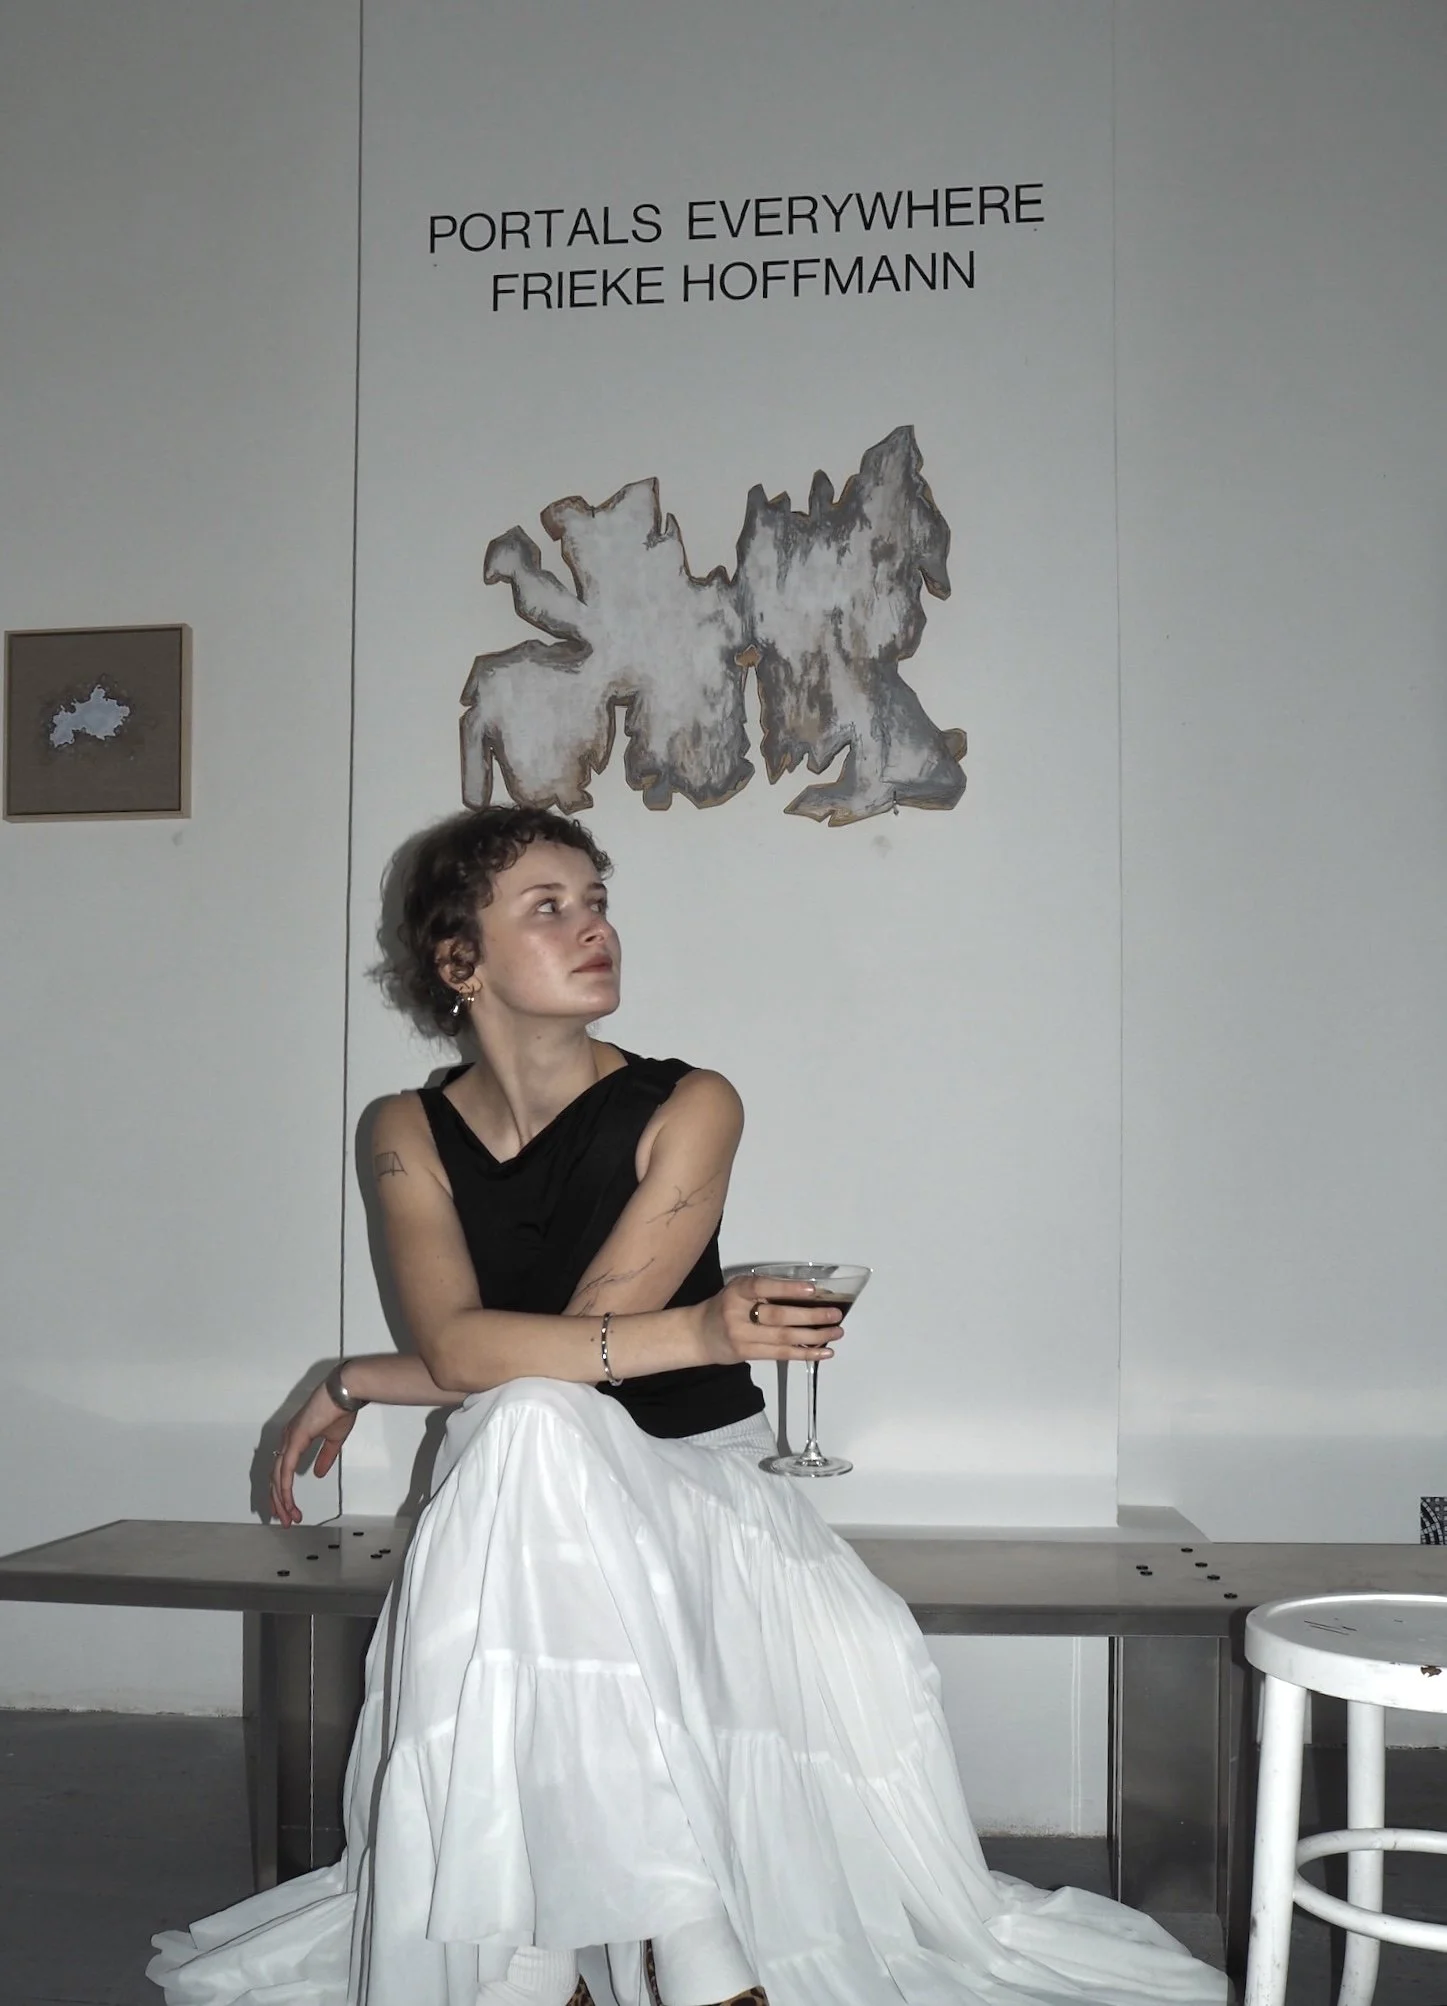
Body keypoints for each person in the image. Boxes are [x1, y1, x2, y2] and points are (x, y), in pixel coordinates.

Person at [149, 806, 1225, 2006]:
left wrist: (369, 1374)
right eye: (547, 905)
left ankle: (535, 1960)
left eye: (596, 898)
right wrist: (372, 1373)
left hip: (691, 1482)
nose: (594, 924)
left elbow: (546, 1361)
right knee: (525, 1427)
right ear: (461, 962)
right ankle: (696, 1952)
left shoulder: (690, 1101)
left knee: (528, 1424)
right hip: (538, 1497)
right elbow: (465, 1348)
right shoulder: (406, 1127)